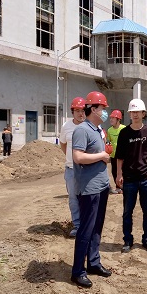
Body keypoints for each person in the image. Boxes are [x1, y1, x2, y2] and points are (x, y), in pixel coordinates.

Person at [70, 91, 111, 288]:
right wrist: (102, 155)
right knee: (85, 230)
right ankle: (78, 271)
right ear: (93, 109)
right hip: (89, 189)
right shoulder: (82, 130)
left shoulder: (97, 130)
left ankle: (93, 262)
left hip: (101, 186)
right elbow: (78, 157)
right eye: (102, 108)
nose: (105, 112)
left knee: (96, 228)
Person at [115, 98, 147, 254]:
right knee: (127, 212)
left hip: (146, 178)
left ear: (143, 113)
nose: (135, 114)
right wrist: (119, 174)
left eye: (138, 112)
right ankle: (127, 240)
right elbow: (119, 157)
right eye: (132, 112)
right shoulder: (124, 133)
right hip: (129, 179)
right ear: (129, 114)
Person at [59, 97, 86, 237]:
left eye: (82, 110)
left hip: (87, 169)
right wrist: (71, 157)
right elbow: (63, 143)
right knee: (73, 198)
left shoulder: (91, 125)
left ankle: (87, 224)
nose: (80, 113)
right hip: (71, 169)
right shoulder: (66, 127)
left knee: (87, 198)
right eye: (77, 110)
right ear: (72, 112)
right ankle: (77, 225)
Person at [107, 109, 126, 194]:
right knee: (114, 171)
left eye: (113, 118)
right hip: (113, 155)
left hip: (123, 155)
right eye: (110, 118)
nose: (111, 120)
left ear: (118, 119)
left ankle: (125, 186)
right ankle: (118, 187)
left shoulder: (124, 128)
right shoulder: (109, 130)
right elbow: (109, 142)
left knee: (124, 171)